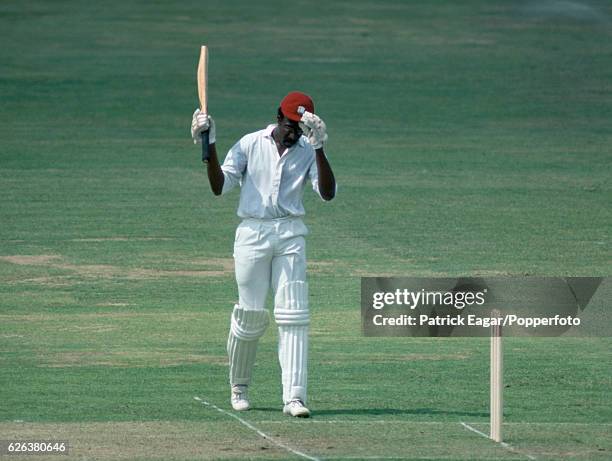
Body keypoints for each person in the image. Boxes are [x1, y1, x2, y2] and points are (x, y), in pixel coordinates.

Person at [190, 91, 336, 417]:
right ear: (278, 116)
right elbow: (219, 186)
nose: (294, 132)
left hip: (290, 234)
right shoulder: (249, 144)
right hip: (252, 234)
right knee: (250, 315)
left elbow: (326, 194)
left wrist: (319, 147)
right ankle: (239, 386)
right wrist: (209, 142)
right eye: (290, 125)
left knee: (294, 314)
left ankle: (294, 398)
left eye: (300, 127)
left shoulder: (307, 149)